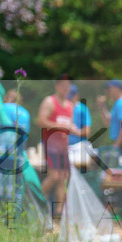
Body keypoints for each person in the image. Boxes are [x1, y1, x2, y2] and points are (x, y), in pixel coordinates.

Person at [37, 74, 81, 218]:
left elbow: (69, 124)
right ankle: (37, 201)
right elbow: (41, 121)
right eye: (63, 85)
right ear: (57, 86)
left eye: (67, 86)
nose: (65, 89)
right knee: (54, 176)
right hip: (50, 145)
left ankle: (58, 212)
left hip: (63, 147)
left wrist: (73, 129)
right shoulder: (49, 102)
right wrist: (59, 126)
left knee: (64, 177)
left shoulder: (70, 106)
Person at [98, 79, 122, 218]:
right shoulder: (119, 103)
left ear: (117, 88)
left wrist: (116, 146)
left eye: (109, 89)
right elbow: (108, 121)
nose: (107, 92)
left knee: (121, 178)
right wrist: (102, 107)